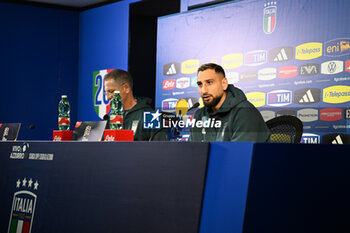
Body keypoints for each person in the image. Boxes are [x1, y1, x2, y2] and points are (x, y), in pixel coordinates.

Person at [189, 63, 270, 142]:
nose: (203, 90)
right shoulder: (199, 115)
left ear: (224, 84)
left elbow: (240, 154)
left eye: (209, 82)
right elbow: (191, 151)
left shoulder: (245, 113)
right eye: (200, 84)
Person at [104, 69, 167, 141]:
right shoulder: (111, 118)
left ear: (126, 88)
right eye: (106, 93)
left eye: (111, 91)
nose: (108, 97)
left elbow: (160, 149)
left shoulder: (151, 117)